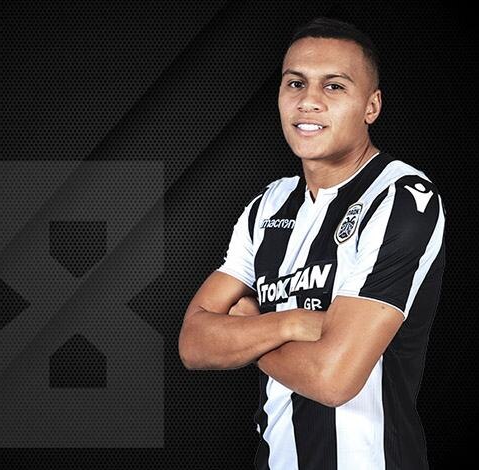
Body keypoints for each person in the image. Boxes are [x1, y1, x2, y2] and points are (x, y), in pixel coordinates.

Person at [178, 17, 446, 470]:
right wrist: (294, 323)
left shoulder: (402, 198)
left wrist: (250, 329)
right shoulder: (268, 206)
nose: (308, 101)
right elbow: (194, 343)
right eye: (295, 83)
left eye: (334, 86)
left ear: (371, 106)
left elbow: (333, 379)